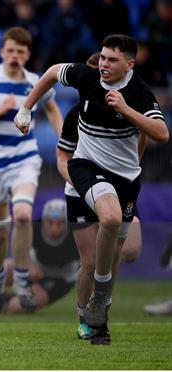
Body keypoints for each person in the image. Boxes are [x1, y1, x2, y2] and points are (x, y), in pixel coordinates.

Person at [15, 34, 169, 345]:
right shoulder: (85, 82)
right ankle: (92, 306)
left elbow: (161, 134)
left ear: (130, 64)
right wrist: (26, 108)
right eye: (102, 57)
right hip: (84, 174)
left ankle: (99, 322)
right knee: (104, 234)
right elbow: (50, 74)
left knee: (118, 255)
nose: (103, 64)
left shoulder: (138, 93)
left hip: (124, 181)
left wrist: (126, 110)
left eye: (112, 60)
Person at [0, 27, 63, 314]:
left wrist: (65, 142)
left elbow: (53, 109)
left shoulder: (35, 81)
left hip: (24, 158)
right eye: (10, 50)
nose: (15, 56)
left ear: (27, 55)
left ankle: (21, 282)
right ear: (2, 52)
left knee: (22, 216)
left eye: (21, 52)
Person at [56, 52, 146, 341]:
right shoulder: (75, 113)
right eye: (95, 71)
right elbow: (62, 158)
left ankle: (101, 307)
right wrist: (85, 185)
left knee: (126, 252)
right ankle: (88, 319)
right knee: (91, 262)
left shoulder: (130, 104)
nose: (100, 79)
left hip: (116, 185)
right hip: (81, 188)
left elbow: (142, 141)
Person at [0, 199, 79, 313]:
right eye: (50, 222)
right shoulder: (34, 228)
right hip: (30, 266)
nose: (54, 228)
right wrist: (29, 265)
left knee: (16, 307)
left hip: (59, 279)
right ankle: (2, 295)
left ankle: (7, 300)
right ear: (44, 220)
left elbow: (86, 264)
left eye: (60, 223)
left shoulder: (75, 236)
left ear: (67, 223)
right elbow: (20, 248)